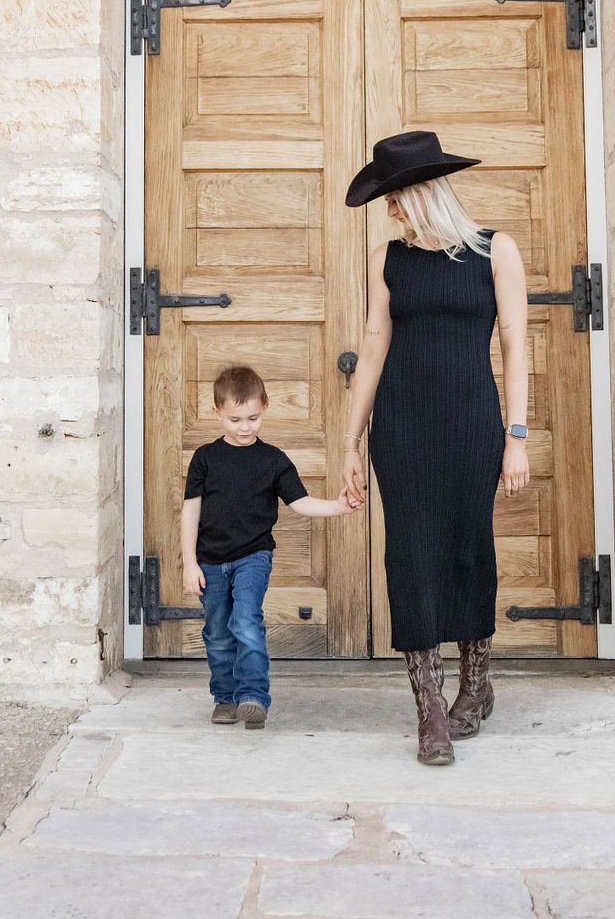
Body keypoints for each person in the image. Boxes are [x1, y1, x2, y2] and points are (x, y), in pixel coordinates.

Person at [341, 130, 530, 766]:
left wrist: (517, 437)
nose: (389, 211)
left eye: (393, 198)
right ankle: (430, 710)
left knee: (469, 547)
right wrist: (349, 442)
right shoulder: (386, 258)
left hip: (474, 425)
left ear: (421, 194)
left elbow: (515, 349)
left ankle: (477, 686)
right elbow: (373, 349)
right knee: (412, 554)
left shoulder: (495, 252)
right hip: (403, 428)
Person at [182, 363, 357, 729]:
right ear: (216, 413)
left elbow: (299, 502)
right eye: (235, 420)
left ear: (265, 407)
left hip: (253, 557)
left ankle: (253, 697)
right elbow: (190, 512)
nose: (245, 427)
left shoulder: (273, 460)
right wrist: (189, 564)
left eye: (253, 418)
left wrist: (337, 506)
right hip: (210, 561)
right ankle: (225, 698)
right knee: (216, 630)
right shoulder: (204, 459)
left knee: (245, 620)